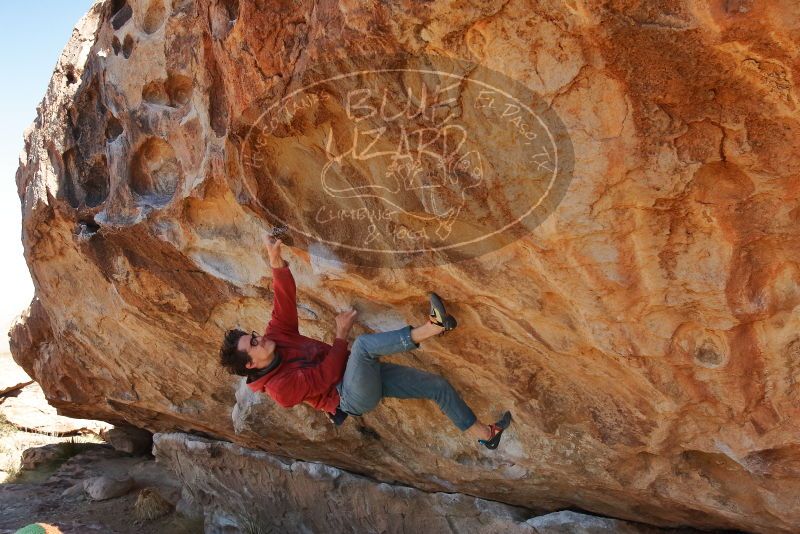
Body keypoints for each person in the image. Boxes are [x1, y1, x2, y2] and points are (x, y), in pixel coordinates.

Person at [218, 234, 512, 449]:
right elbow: (327, 375)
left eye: (253, 335)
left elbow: (284, 300)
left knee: (436, 385)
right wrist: (340, 335)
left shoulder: (275, 338)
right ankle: (434, 326)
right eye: (253, 344)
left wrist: (276, 263)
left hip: (357, 374)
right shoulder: (280, 390)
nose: (260, 338)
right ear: (251, 364)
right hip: (348, 395)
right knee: (362, 346)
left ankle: (486, 435)